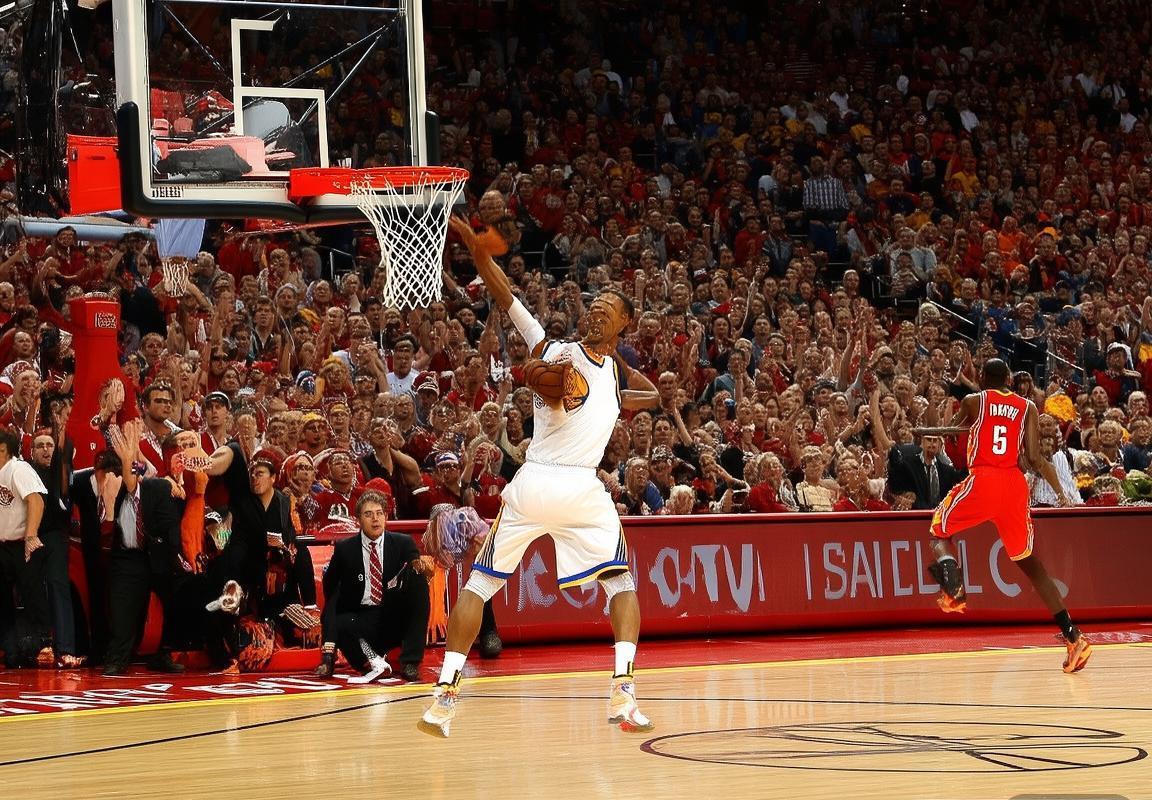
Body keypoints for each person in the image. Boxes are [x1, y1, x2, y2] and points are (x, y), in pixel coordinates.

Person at [420, 217, 659, 738]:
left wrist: (619, 377)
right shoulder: (555, 351)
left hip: (544, 485)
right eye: (593, 305)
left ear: (623, 325)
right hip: (569, 484)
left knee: (484, 582)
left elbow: (652, 395)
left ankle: (446, 696)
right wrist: (481, 258)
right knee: (617, 582)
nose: (596, 310)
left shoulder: (604, 372)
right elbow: (507, 299)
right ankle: (620, 686)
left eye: (608, 309)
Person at [924, 358, 1092, 673]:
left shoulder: (974, 400)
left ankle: (953, 588)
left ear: (982, 377)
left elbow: (952, 433)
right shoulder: (1027, 407)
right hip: (1014, 485)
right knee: (1030, 563)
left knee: (938, 529)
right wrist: (1061, 492)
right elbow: (1034, 458)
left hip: (984, 477)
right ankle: (1073, 636)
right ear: (1009, 379)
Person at [314, 490, 431, 682]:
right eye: (368, 514)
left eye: (379, 513)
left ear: (386, 517)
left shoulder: (403, 543)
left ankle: (410, 662)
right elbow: (330, 585)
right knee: (337, 603)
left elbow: (415, 564)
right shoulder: (345, 548)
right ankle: (364, 662)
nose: (375, 519)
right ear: (358, 519)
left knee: (418, 580)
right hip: (362, 617)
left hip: (393, 616)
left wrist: (421, 567)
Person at [0, 425, 48, 667]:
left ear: (3, 449)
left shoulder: (18, 469)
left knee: (32, 599)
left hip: (22, 545)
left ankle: (41, 649)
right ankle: (11, 652)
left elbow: (36, 500)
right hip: (3, 547)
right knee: (3, 602)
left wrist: (30, 537)